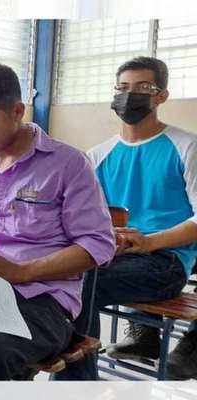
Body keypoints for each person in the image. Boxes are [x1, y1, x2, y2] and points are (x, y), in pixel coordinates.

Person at [0, 62, 115, 380]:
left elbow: (98, 245)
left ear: (16, 111)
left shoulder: (67, 164)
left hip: (45, 300)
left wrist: (19, 272)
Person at [56, 57, 197, 381]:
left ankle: (78, 384)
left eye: (142, 88)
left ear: (161, 95)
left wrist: (149, 242)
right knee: (67, 271)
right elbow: (82, 217)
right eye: (122, 88)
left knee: (85, 282)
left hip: (166, 260)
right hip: (114, 254)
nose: (129, 95)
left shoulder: (187, 146)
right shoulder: (96, 156)